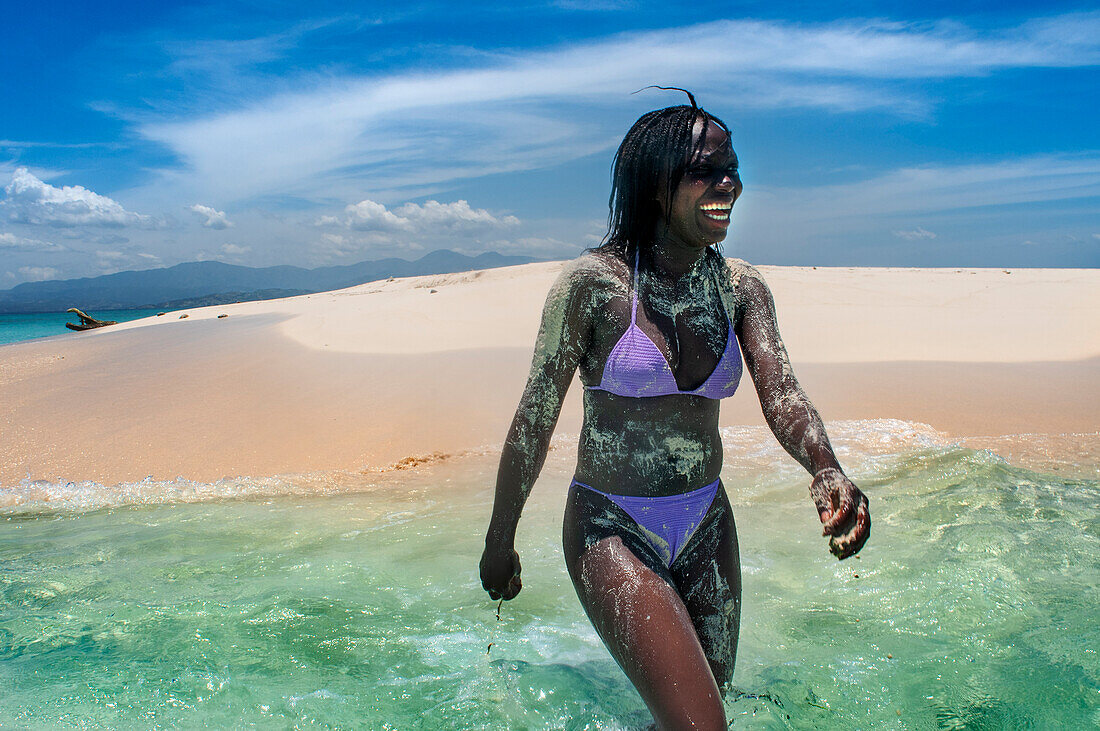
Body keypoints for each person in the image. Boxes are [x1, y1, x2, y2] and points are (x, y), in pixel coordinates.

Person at [480, 91, 870, 729]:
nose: (729, 183)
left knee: (711, 712)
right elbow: (534, 418)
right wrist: (501, 539)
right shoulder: (594, 286)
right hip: (612, 527)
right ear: (658, 188)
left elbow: (784, 393)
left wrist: (826, 467)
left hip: (708, 523)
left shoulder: (739, 289)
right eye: (705, 170)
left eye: (732, 167)